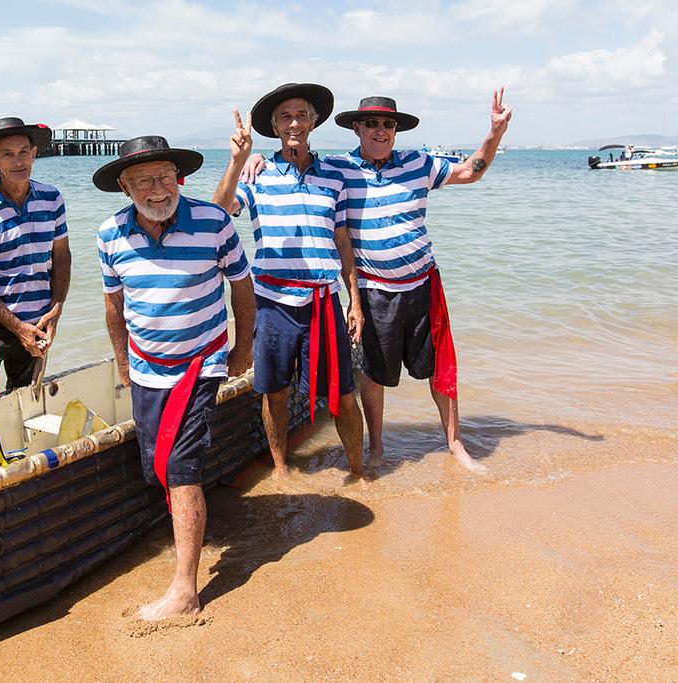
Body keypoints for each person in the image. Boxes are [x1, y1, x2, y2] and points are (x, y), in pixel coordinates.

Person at [244, 89, 512, 474]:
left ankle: (455, 445)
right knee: (372, 372)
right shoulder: (339, 170)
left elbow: (471, 170)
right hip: (372, 287)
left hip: (422, 282)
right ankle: (376, 450)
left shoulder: (419, 163)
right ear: (357, 128)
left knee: (441, 367)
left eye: (388, 124)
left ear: (397, 130)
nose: (380, 130)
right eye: (371, 123)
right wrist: (253, 159)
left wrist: (495, 132)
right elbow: (298, 163)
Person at [94, 135, 254, 621]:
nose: (158, 189)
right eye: (144, 180)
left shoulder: (214, 222)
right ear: (125, 186)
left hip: (201, 364)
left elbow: (242, 289)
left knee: (181, 467)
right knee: (160, 467)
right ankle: (192, 535)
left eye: (165, 176)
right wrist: (123, 364)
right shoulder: (109, 235)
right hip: (146, 369)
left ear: (179, 177)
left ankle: (185, 591)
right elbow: (113, 306)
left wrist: (242, 349)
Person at [214, 83, 364, 477]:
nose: (294, 123)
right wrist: (238, 160)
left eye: (301, 115)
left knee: (345, 395)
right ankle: (281, 469)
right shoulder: (257, 174)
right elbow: (220, 212)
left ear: (314, 122)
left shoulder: (334, 175)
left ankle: (358, 470)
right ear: (275, 126)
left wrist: (356, 302)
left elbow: (343, 239)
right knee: (274, 393)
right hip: (273, 303)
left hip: (323, 301)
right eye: (285, 116)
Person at [0, 117, 71, 399]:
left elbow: (62, 256)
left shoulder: (52, 198)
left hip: (38, 320)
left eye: (23, 153)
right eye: (8, 154)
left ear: (34, 154)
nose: (18, 162)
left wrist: (56, 307)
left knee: (27, 399)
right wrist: (17, 328)